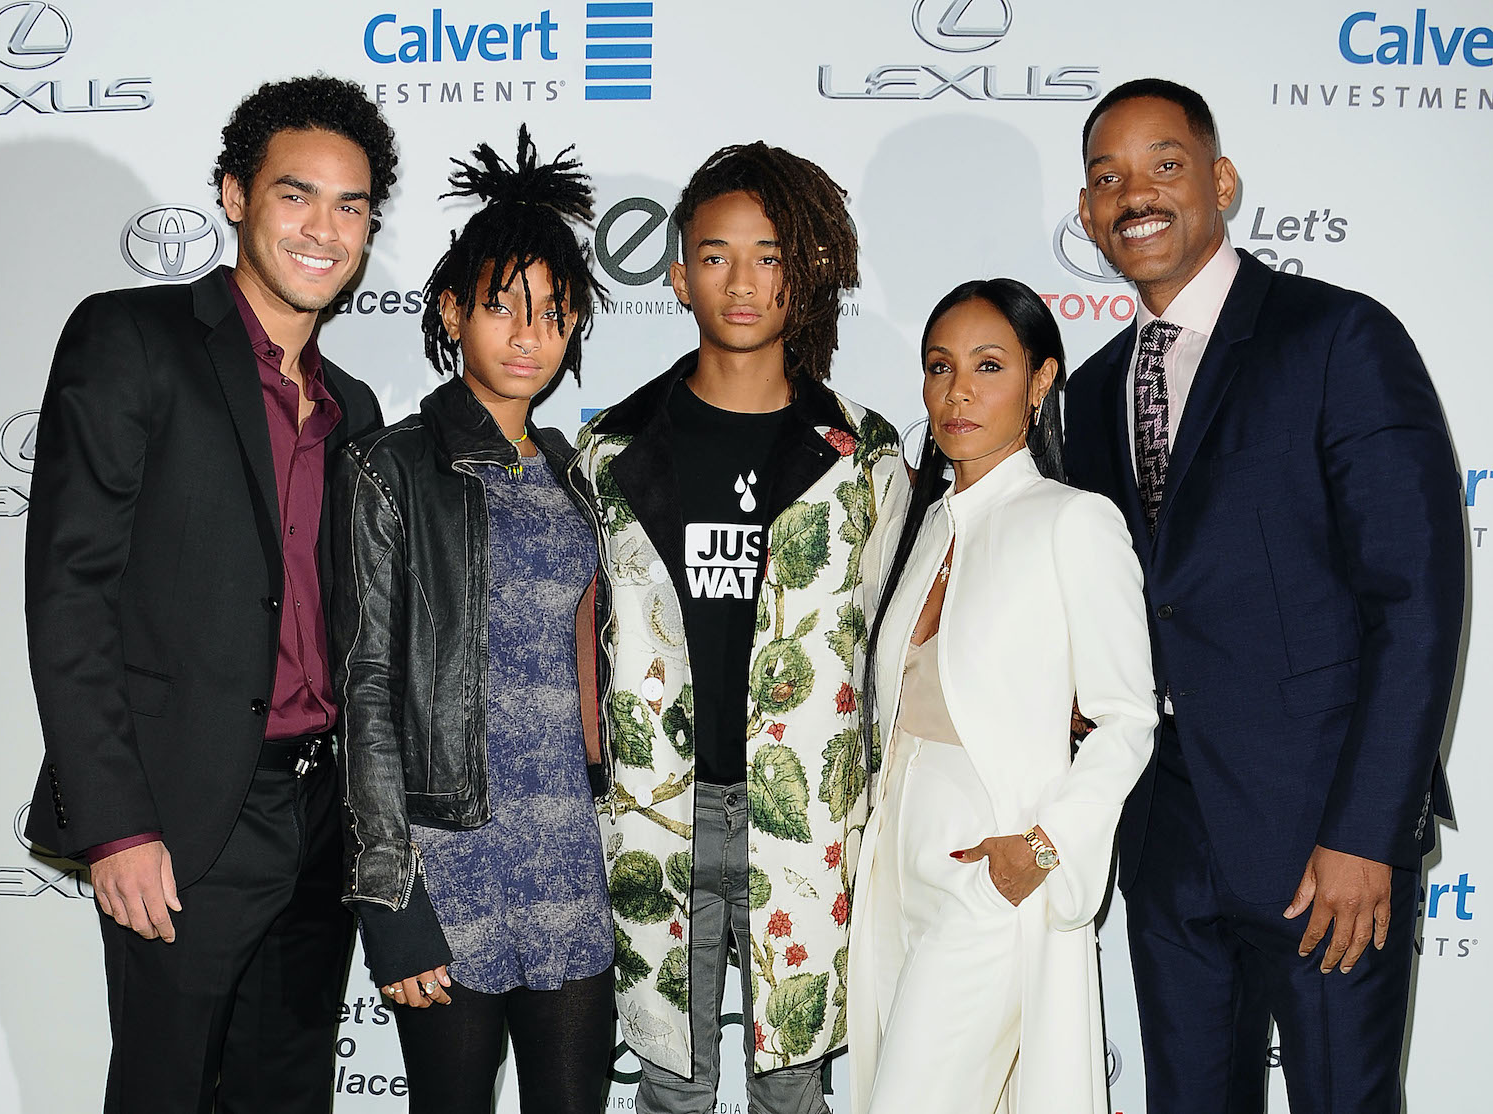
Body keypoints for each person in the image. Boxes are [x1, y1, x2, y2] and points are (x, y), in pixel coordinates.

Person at [1064, 78, 1465, 1113]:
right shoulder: (1093, 390)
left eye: (1165, 164)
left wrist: (1369, 831)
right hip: (1165, 845)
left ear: (1222, 181)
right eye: (1107, 176)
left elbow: (1416, 600)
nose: (1134, 193)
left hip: (1320, 838)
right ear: (1086, 214)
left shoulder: (1337, 338)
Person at [22, 76, 394, 1113]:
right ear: (234, 194)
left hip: (322, 818)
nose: (325, 228)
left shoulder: (353, 408)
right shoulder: (131, 340)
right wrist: (116, 824)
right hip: (183, 819)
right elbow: (69, 594)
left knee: (287, 1093)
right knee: (165, 1092)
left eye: (352, 205)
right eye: (296, 194)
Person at [573, 142, 907, 1114]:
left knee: (793, 1087)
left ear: (801, 275)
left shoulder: (864, 456)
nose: (743, 280)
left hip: (807, 823)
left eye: (769, 255)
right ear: (678, 276)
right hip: (654, 817)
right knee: (670, 1089)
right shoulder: (610, 449)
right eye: (717, 255)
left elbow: (899, 649)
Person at [332, 127, 615, 1114]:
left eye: (552, 310)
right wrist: (391, 905)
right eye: (502, 307)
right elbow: (364, 688)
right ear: (453, 311)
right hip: (446, 858)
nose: (528, 333)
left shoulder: (574, 474)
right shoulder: (390, 467)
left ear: (576, 319)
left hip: (570, 850)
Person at [845, 279, 1156, 1114]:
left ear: (1041, 380)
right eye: (939, 367)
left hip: (992, 867)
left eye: (989, 365)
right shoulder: (914, 527)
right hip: (893, 865)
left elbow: (1128, 718)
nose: (958, 391)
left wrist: (1040, 850)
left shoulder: (1073, 521)